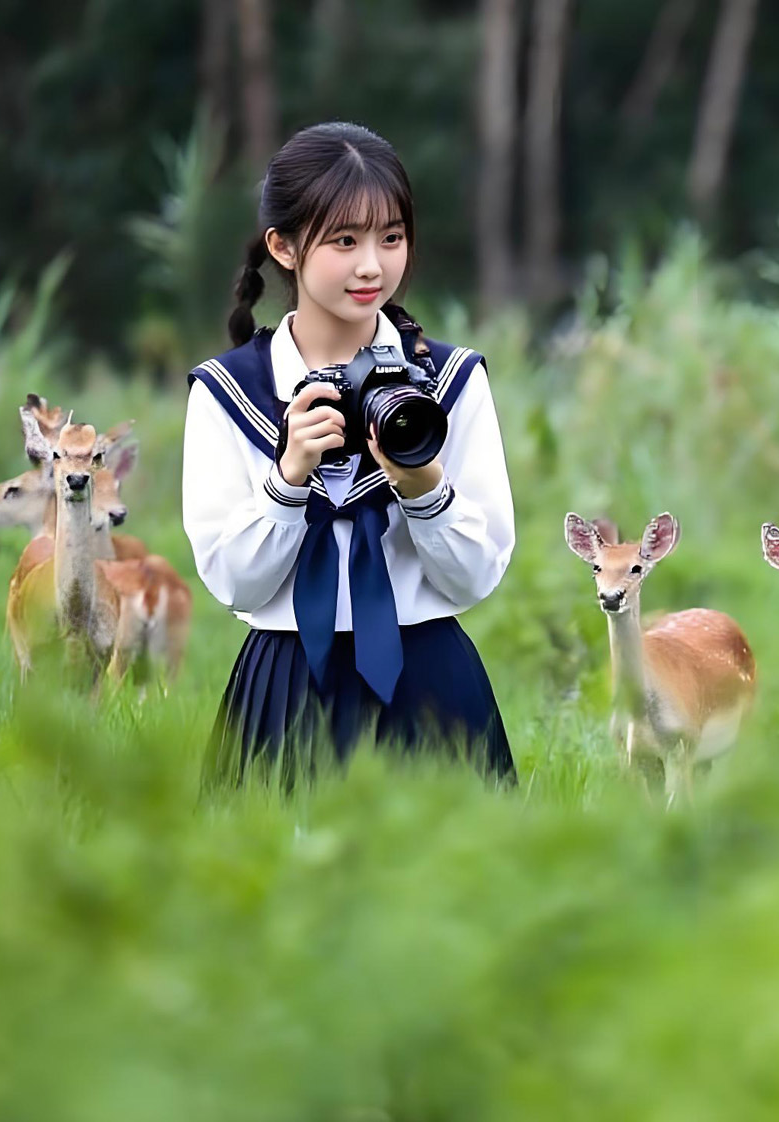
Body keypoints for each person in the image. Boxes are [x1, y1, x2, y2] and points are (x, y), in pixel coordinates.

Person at [183, 121, 515, 781]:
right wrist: (288, 480)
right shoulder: (229, 393)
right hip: (282, 683)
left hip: (432, 679)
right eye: (344, 240)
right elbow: (233, 582)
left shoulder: (450, 385)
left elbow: (476, 576)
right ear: (283, 246)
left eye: (391, 237)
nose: (373, 265)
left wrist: (425, 490)